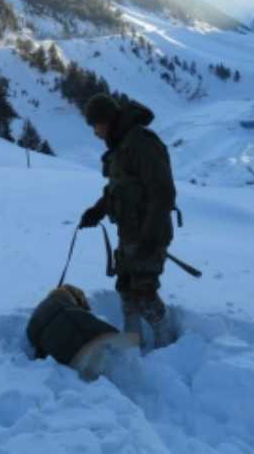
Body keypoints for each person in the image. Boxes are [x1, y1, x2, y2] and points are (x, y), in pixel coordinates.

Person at [78, 93, 177, 350]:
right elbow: (117, 190)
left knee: (144, 291)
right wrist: (97, 211)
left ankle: (167, 345)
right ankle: (133, 342)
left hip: (148, 234)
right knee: (125, 287)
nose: (95, 133)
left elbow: (163, 192)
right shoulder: (121, 147)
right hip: (129, 233)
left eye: (95, 125)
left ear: (107, 120)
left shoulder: (141, 144)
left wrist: (150, 237)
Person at [26, 285, 139, 380]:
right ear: (76, 298)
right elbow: (93, 325)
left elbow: (32, 338)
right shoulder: (67, 309)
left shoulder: (39, 313)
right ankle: (101, 385)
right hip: (77, 357)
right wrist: (124, 339)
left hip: (57, 359)